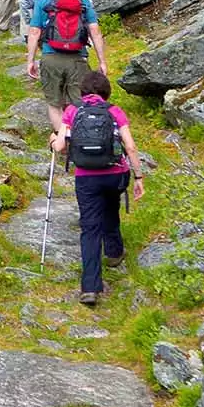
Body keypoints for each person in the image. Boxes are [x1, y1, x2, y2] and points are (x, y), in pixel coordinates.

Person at [49, 70, 144, 305]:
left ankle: (90, 287)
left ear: (82, 91)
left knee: (90, 228)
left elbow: (60, 146)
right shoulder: (114, 111)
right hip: (115, 174)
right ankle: (113, 253)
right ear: (106, 92)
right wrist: (139, 177)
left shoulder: (72, 111)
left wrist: (52, 140)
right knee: (111, 207)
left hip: (86, 177)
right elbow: (130, 147)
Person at [26, 0, 110, 136]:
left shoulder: (43, 0)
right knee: (78, 102)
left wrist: (31, 60)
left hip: (51, 56)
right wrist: (102, 61)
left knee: (54, 103)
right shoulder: (82, 1)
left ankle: (62, 140)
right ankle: (80, 138)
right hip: (78, 58)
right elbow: (95, 30)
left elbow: (34, 32)